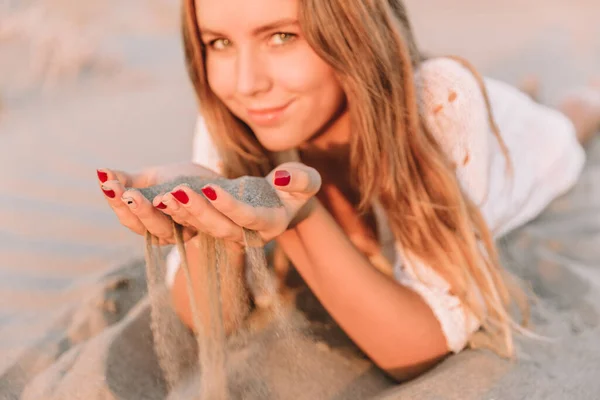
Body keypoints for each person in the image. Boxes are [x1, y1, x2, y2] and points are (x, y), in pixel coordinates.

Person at [96, 0, 600, 381]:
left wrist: (295, 217)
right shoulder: (235, 113)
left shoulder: (437, 101)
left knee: (563, 128)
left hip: (519, 143)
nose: (245, 83)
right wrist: (211, 224)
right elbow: (210, 321)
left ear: (353, 26)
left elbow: (421, 346)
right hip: (465, 122)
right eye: (219, 43)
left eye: (280, 37)